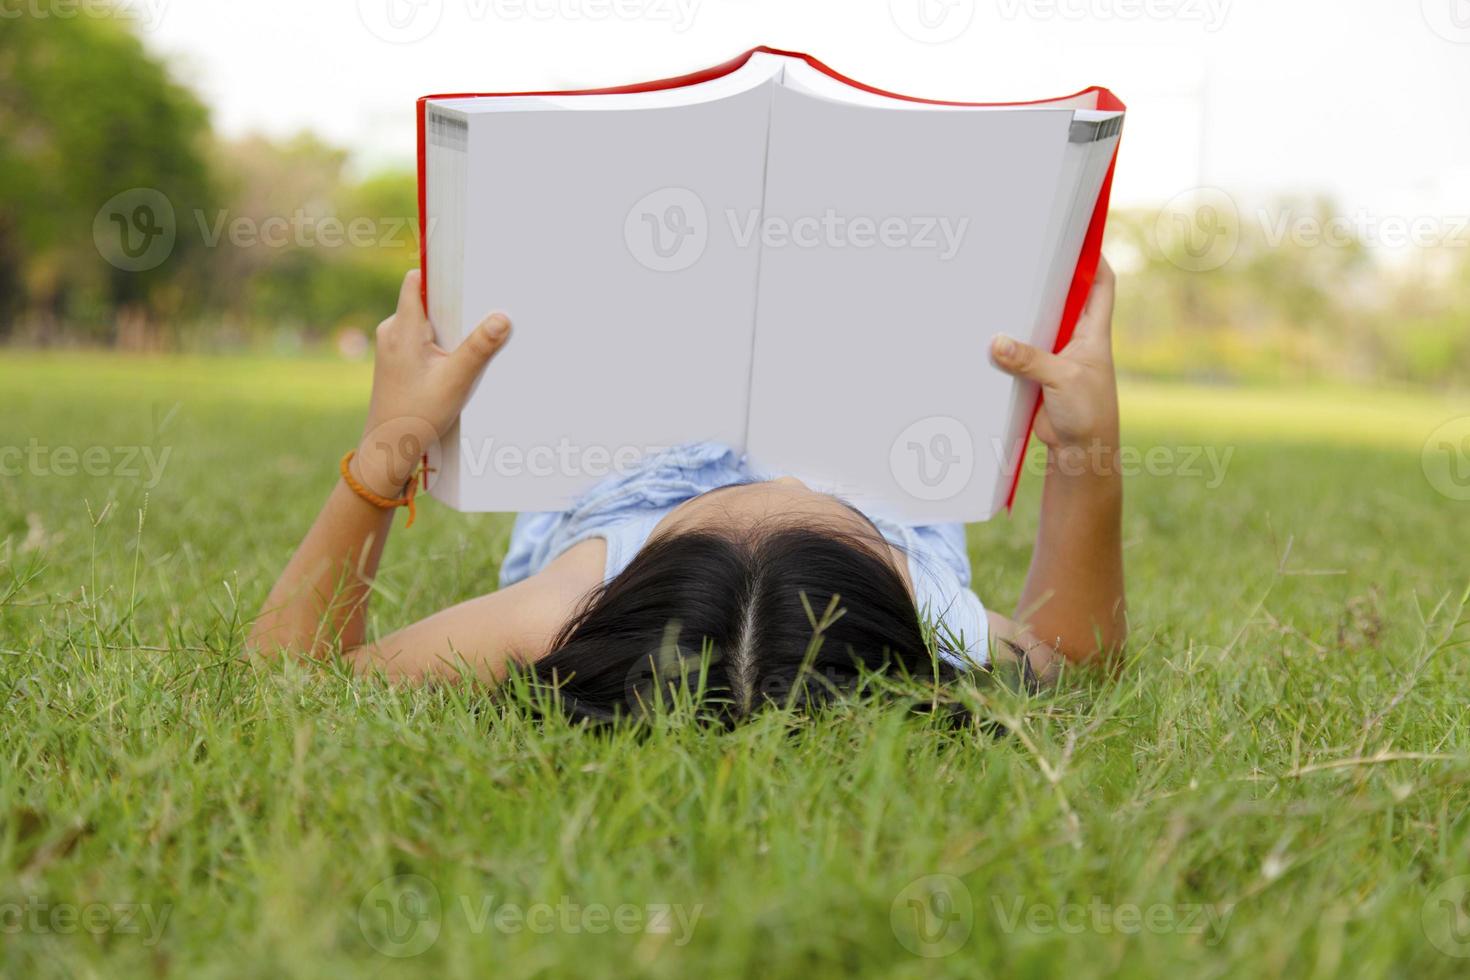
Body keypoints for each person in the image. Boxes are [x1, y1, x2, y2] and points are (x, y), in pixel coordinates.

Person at [248, 263, 1126, 723]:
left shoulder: (556, 614)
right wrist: (1089, 451)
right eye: (812, 498)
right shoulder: (939, 620)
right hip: (859, 405)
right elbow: (1077, 659)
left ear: (639, 572)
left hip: (627, 434)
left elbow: (292, 676)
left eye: (730, 501)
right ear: (892, 575)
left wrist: (389, 446)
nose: (766, 470)